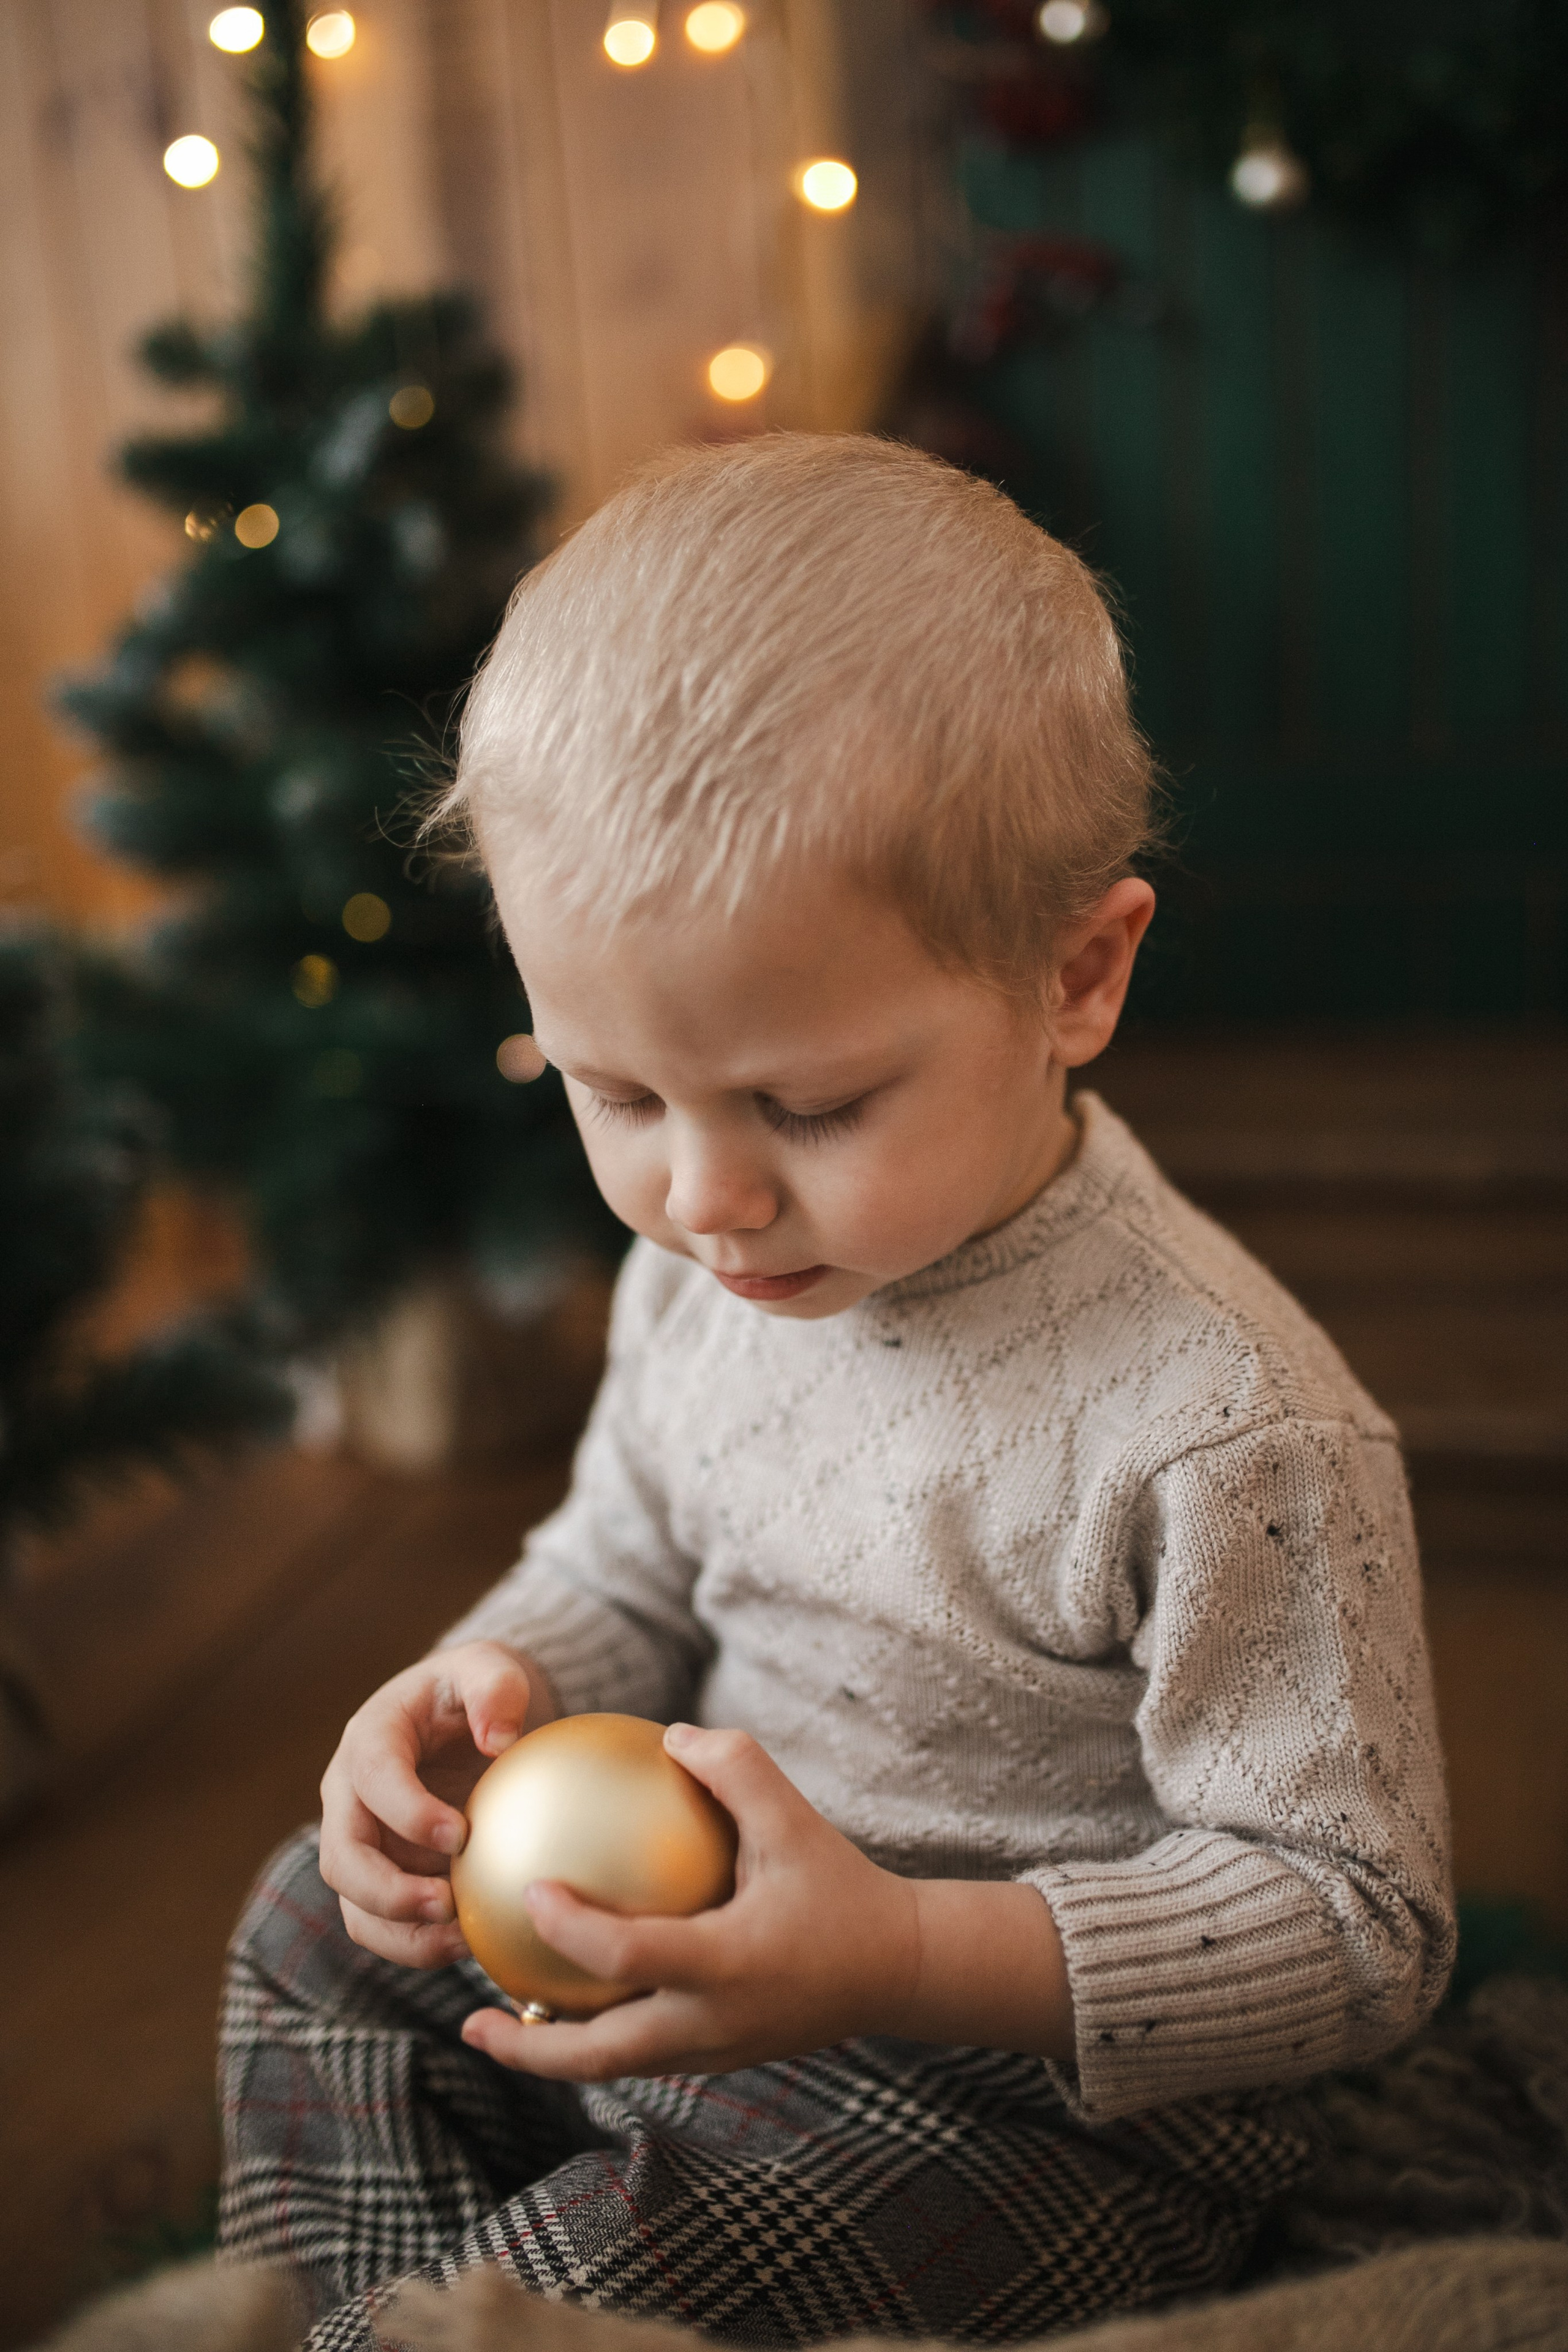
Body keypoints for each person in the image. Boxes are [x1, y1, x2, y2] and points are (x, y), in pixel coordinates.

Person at [216, 437, 1454, 2351]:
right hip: (682, 1943)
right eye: (613, 1095)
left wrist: (899, 1955)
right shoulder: (710, 1275)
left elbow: (1359, 1924)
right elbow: (624, 1569)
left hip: (1011, 2104)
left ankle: (503, 2292)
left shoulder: (1225, 1427)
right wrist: (476, 1693)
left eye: (806, 1105)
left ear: (1077, 975)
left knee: (614, 2283)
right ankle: (369, 2312)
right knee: (309, 1925)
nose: (701, 1200)